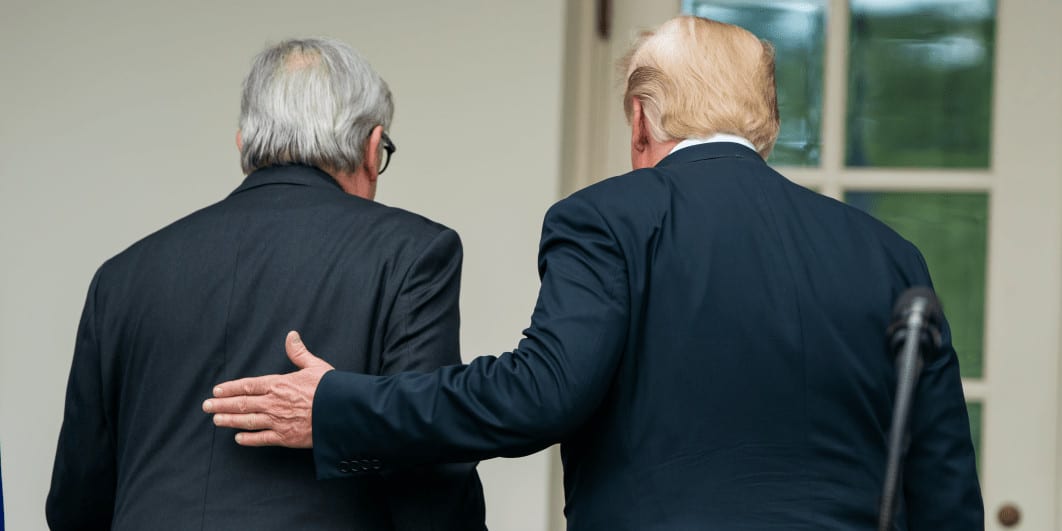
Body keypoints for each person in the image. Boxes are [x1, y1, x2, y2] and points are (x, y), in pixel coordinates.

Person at [206, 17, 983, 529]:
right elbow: (944, 481)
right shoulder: (888, 255)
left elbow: (538, 394)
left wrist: (343, 404)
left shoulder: (608, 217)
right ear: (766, 126)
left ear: (641, 118)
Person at [48, 38, 485, 530]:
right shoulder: (412, 253)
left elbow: (76, 502)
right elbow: (427, 468)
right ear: (371, 147)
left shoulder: (120, 277)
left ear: (243, 145)